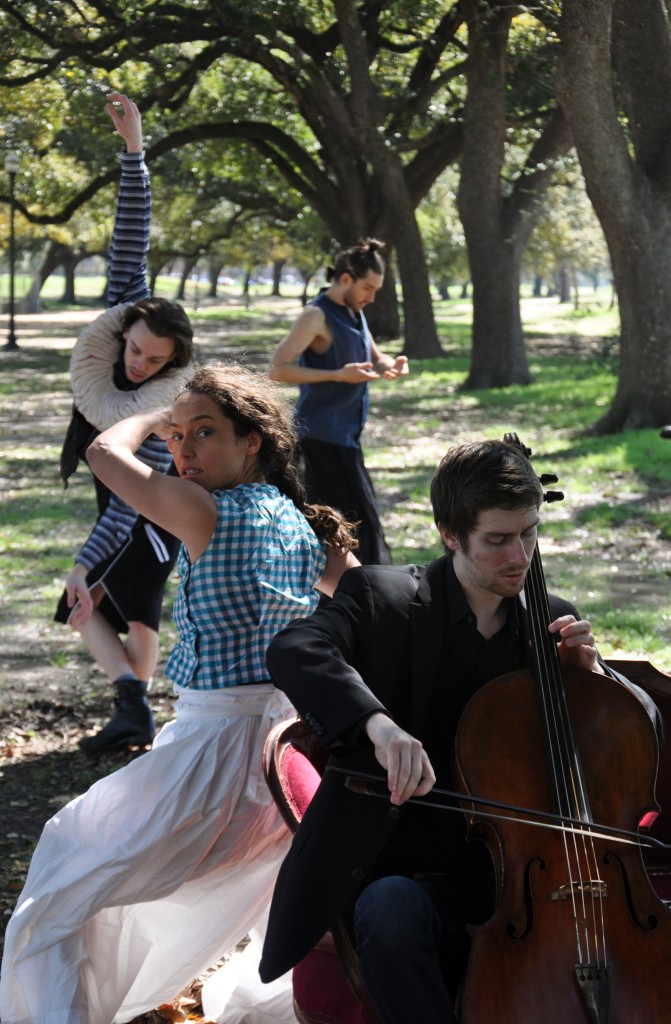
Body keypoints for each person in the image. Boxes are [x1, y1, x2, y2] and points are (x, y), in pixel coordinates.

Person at [0, 363, 358, 1024]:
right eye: (176, 435)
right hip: (287, 751)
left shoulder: (203, 508)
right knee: (158, 881)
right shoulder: (300, 524)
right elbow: (370, 599)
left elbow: (103, 452)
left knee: (65, 867)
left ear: (253, 441)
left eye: (203, 433)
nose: (182, 448)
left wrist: (157, 409)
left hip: (219, 749)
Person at [258, 439, 663, 1024]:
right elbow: (297, 648)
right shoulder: (383, 599)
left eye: (529, 533)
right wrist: (379, 726)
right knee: (389, 909)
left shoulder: (551, 624)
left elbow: (639, 737)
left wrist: (597, 683)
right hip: (417, 878)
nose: (520, 556)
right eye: (498, 540)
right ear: (451, 534)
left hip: (540, 884)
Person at [55, 93, 194, 753]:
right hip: (112, 487)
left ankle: (134, 712)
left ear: (174, 364)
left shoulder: (165, 411)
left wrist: (85, 562)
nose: (138, 365)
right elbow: (130, 234)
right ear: (124, 333)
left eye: (154, 360)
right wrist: (133, 149)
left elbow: (132, 508)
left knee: (135, 610)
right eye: (134, 350)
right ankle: (133, 712)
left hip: (148, 512)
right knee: (115, 609)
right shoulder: (121, 316)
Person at [269, 239, 409, 565]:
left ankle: (362, 602)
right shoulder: (315, 316)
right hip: (319, 440)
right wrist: (336, 374)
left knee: (358, 531)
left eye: (376, 290)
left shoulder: (353, 311)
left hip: (346, 439)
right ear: (345, 279)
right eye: (367, 288)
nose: (371, 298)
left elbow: (375, 357)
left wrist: (393, 365)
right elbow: (277, 369)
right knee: (345, 532)